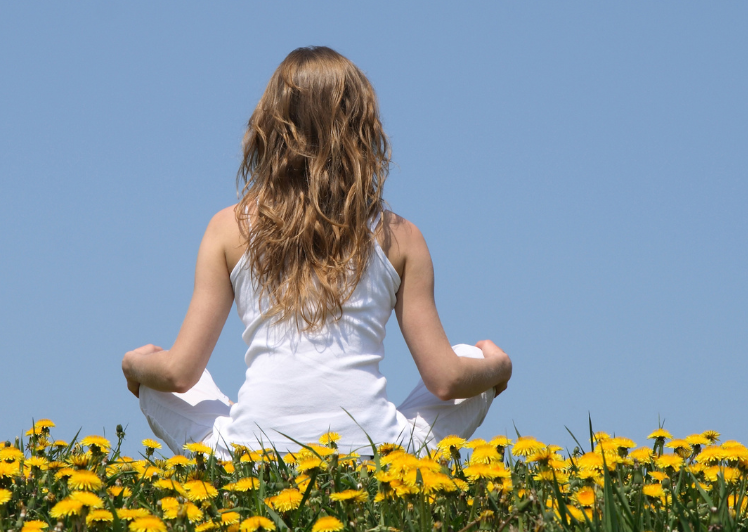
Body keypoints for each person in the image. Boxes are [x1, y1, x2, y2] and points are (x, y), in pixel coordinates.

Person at [121, 46, 512, 457]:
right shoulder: (401, 236)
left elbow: (180, 374)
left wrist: (134, 365)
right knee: (468, 357)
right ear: (363, 129)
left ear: (269, 127)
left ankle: (250, 421)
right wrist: (498, 366)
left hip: (249, 456)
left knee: (159, 378)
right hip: (377, 454)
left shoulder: (226, 228)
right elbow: (447, 380)